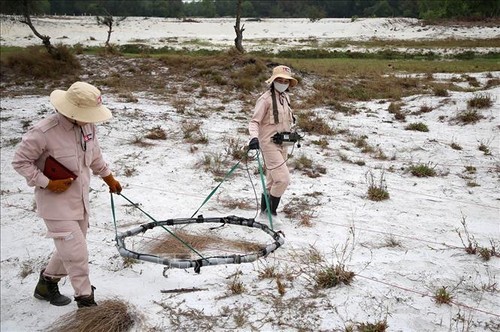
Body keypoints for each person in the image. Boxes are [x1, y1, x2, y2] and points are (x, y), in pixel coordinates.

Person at [12, 81, 122, 308]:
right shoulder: (43, 132)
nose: (92, 118)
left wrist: (108, 177)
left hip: (79, 201)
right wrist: (47, 182)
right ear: (72, 111)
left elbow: (95, 156)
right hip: (55, 206)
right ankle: (85, 300)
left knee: (70, 248)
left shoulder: (88, 127)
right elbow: (20, 161)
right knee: (77, 254)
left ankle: (46, 285)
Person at [248, 65, 298, 223]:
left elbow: (286, 119)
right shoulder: (265, 99)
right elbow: (254, 122)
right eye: (280, 80)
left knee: (271, 180)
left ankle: (264, 214)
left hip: (283, 142)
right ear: (273, 81)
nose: (283, 83)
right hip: (268, 143)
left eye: (286, 81)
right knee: (283, 179)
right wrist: (254, 138)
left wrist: (292, 131)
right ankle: (273, 213)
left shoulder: (285, 98)